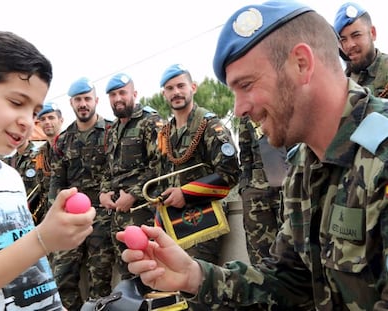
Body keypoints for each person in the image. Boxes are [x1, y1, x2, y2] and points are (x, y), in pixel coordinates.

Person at [118, 1, 388, 310]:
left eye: (246, 85)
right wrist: (193, 276)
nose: (238, 108)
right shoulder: (304, 164)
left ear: (301, 63)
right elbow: (289, 283)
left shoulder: (381, 156)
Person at [0, 31, 95, 311]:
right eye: (17, 103)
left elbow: (32, 271)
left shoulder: (10, 176)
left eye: (35, 111)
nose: (28, 122)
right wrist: (42, 239)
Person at [158, 64, 240, 264]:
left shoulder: (210, 125)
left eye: (180, 86)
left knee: (200, 284)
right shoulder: (165, 133)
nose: (176, 92)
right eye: (170, 89)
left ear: (192, 88)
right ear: (164, 94)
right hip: (173, 219)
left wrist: (185, 193)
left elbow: (230, 173)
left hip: (204, 215)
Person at [49, 77, 114, 310]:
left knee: (100, 279)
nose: (83, 104)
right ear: (72, 104)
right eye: (78, 100)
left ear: (96, 100)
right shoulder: (63, 141)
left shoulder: (111, 132)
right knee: (62, 276)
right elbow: (57, 182)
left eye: (87, 98)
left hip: (103, 216)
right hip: (72, 218)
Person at [99, 73, 163, 280]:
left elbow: (160, 165)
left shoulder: (150, 121)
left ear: (134, 94)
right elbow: (109, 169)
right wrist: (104, 193)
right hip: (117, 216)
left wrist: (134, 195)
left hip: (143, 212)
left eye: (122, 93)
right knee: (127, 276)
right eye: (113, 94)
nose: (118, 98)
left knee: (150, 273)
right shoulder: (113, 129)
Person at [238, 116, 287, 264]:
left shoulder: (289, 102)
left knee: (294, 249)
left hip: (288, 185)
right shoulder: (248, 113)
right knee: (260, 257)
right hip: (256, 191)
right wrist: (245, 189)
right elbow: (245, 153)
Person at [334, 2, 388, 97]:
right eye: (343, 40)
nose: (350, 45)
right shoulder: (339, 84)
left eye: (356, 35)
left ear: (372, 33)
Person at [32, 102, 64, 224]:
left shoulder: (71, 146)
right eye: (43, 119)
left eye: (51, 117)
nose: (47, 122)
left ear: (61, 120)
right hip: (49, 214)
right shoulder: (41, 153)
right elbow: (42, 187)